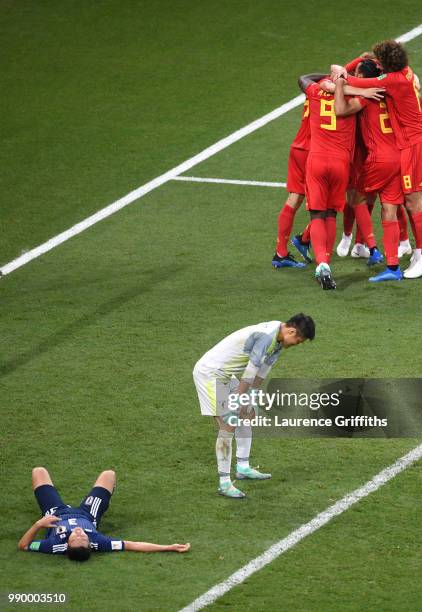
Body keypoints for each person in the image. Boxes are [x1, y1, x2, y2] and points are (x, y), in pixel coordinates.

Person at [337, 40, 422, 279]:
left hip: (412, 145)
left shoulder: (392, 80)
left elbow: (354, 81)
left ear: (386, 64)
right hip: (412, 144)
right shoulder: (407, 73)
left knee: (413, 203)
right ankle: (419, 250)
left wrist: (339, 74)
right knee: (406, 202)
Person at [193, 314, 315, 498]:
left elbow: (263, 370)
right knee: (228, 425)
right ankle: (224, 483)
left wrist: (252, 399)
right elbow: (250, 370)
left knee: (246, 415)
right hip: (210, 374)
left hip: (226, 375)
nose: (296, 344)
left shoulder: (278, 339)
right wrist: (241, 398)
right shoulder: (266, 337)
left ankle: (243, 467)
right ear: (291, 330)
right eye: (298, 340)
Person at [298, 74, 384, 289]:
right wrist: (350, 85)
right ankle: (327, 259)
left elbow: (303, 78)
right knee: (330, 214)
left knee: (316, 213)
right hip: (341, 164)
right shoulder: (354, 100)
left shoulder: (315, 92)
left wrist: (327, 79)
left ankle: (323, 264)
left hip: (316, 160)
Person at [333, 59, 406, 280]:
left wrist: (340, 84)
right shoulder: (390, 94)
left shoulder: (366, 99)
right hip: (399, 157)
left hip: (379, 159)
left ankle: (371, 248)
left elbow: (340, 110)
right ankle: (393, 267)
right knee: (389, 210)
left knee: (356, 197)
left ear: (364, 77)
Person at [18, 467, 190, 560]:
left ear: (67, 545)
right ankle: (105, 497)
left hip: (55, 512)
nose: (79, 533)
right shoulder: (99, 542)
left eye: (75, 538)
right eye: (83, 538)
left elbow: (24, 546)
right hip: (87, 514)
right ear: (89, 544)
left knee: (38, 471)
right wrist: (169, 547)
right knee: (109, 474)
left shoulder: (53, 545)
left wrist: (39, 524)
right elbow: (133, 545)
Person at [272, 73, 327, 269]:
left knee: (294, 198)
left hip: (298, 147)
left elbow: (305, 77)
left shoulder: (314, 90)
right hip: (315, 152)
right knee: (326, 204)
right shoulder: (339, 95)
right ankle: (304, 239)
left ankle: (281, 253)